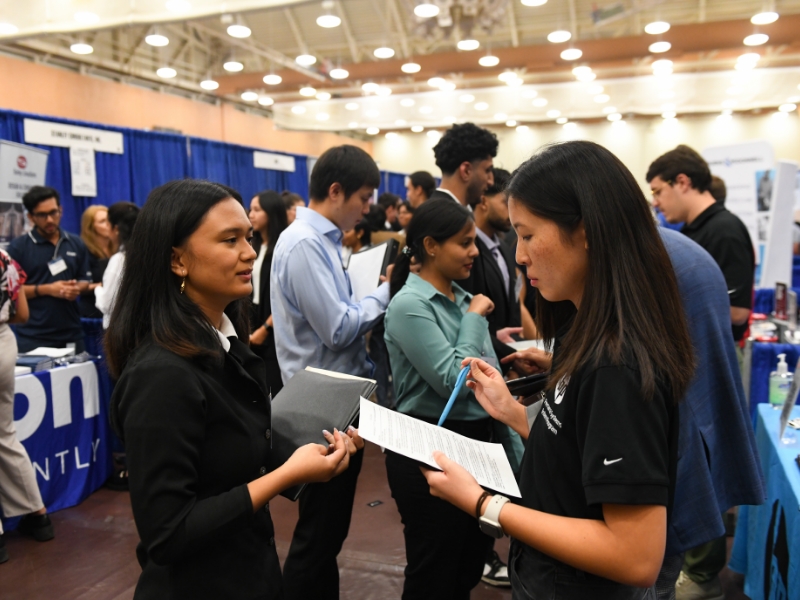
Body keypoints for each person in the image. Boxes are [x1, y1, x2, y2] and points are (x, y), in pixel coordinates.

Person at [422, 140, 695, 599]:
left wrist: (485, 503)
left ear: (585, 230)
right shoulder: (586, 331)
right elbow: (579, 454)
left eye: (528, 236)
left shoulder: (616, 363)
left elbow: (636, 555)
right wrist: (513, 414)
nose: (520, 256)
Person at [106, 179, 362, 599]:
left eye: (247, 236)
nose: (249, 251)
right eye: (230, 240)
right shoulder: (163, 375)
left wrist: (320, 444)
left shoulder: (224, 345)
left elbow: (230, 461)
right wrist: (286, 475)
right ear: (177, 260)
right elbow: (168, 534)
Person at [384, 199, 521, 599]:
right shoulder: (409, 306)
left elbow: (487, 382)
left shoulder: (463, 299)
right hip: (430, 450)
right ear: (430, 245)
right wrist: (476, 318)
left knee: (467, 565)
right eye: (464, 243)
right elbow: (455, 380)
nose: (474, 251)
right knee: (433, 572)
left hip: (477, 446)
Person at [270, 145, 386, 600]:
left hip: (337, 402)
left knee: (327, 533)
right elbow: (337, 329)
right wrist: (384, 294)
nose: (367, 207)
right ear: (335, 191)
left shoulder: (323, 242)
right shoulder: (304, 244)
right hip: (322, 407)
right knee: (317, 537)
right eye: (364, 196)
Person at [651, 228, 764, 600]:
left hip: (680, 403)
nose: (522, 255)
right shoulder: (678, 245)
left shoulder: (653, 254)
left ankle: (699, 573)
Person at [647, 145, 754, 345]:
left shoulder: (724, 230)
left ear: (682, 182)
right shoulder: (693, 230)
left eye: (657, 191)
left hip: (716, 351)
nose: (655, 202)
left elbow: (738, 312)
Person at [0, 249, 54, 564]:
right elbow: (22, 315)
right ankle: (39, 516)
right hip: (5, 343)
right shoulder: (5, 257)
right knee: (5, 434)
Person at [7, 186, 92, 353]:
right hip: (34, 337)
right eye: (42, 215)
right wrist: (48, 289)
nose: (50, 220)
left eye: (54, 212)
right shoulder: (18, 248)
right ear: (30, 216)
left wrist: (74, 289)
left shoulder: (75, 243)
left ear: (61, 209)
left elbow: (85, 281)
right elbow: (12, 291)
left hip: (72, 333)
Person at [247, 190, 288, 396]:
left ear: (271, 213)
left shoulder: (281, 247)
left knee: (273, 385)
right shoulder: (252, 245)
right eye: (250, 209)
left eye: (257, 210)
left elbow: (283, 297)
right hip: (254, 317)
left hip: (272, 323)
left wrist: (265, 328)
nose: (250, 214)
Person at [429, 123, 496, 209]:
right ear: (466, 171)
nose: (491, 182)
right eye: (487, 170)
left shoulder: (447, 210)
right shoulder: (446, 217)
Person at [95, 202, 139, 329]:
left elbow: (106, 304)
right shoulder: (148, 255)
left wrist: (98, 290)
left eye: (107, 224)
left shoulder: (119, 260)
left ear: (116, 229)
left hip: (121, 331)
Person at [79, 205, 115, 319]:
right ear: (91, 227)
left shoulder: (117, 249)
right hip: (92, 314)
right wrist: (102, 285)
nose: (108, 225)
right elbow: (79, 285)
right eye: (102, 221)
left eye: (109, 220)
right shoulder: (84, 251)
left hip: (114, 313)